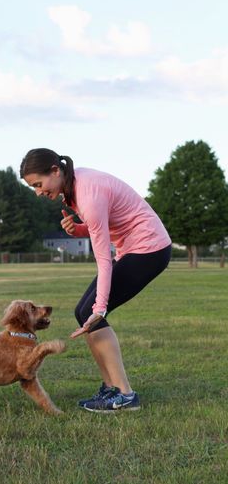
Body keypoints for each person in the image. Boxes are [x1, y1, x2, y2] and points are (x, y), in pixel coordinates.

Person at [20, 148, 171, 413]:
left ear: (55, 171)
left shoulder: (87, 194)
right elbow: (102, 222)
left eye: (38, 184)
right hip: (136, 248)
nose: (38, 192)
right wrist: (78, 229)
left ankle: (125, 395)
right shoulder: (73, 186)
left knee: (92, 313)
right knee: (82, 312)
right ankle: (110, 387)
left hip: (150, 249)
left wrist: (100, 308)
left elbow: (103, 260)